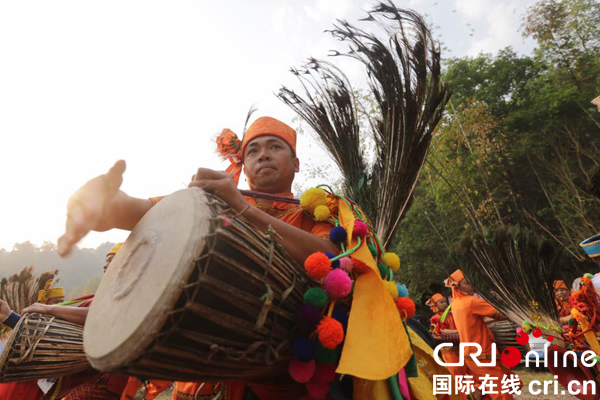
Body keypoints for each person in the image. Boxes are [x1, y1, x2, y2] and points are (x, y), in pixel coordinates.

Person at [56, 116, 409, 399]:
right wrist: (102, 206)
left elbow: (335, 262)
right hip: (229, 377)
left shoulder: (320, 212)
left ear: (297, 163)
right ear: (244, 162)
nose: (263, 154)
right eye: (253, 150)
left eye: (275, 147)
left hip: (309, 380)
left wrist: (243, 208)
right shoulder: (211, 205)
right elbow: (136, 210)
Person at [445, 270, 521, 400]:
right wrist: (522, 314)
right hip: (482, 355)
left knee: (487, 388)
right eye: (467, 283)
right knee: (501, 392)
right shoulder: (471, 302)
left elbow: (478, 321)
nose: (472, 286)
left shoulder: (456, 304)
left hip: (471, 355)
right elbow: (499, 313)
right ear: (457, 286)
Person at [427, 293, 468, 400]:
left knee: (463, 377)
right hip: (448, 352)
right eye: (441, 302)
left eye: (445, 301)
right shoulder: (435, 318)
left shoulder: (452, 315)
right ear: (435, 305)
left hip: (460, 350)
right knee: (456, 378)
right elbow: (439, 331)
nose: (445, 304)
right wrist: (460, 331)